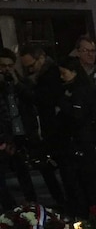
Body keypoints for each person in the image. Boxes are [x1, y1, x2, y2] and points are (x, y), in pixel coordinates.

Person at [56, 55, 96, 217]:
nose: (61, 77)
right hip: (81, 142)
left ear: (74, 72)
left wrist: (63, 103)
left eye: (64, 73)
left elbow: (78, 115)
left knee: (89, 183)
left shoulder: (81, 91)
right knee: (85, 183)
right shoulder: (76, 89)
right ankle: (92, 215)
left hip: (84, 143)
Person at [17, 44, 67, 210]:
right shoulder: (40, 76)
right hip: (44, 129)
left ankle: (65, 202)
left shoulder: (52, 74)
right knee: (47, 169)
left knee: (59, 169)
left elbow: (42, 99)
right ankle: (61, 201)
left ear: (42, 57)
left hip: (55, 130)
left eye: (32, 65)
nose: (30, 70)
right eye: (27, 67)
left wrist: (22, 88)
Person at [0, 48, 38, 209]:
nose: (6, 69)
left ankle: (32, 205)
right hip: (4, 137)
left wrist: (16, 83)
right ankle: (10, 209)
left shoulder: (20, 83)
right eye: (3, 66)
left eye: (9, 65)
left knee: (24, 173)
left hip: (21, 134)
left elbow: (32, 100)